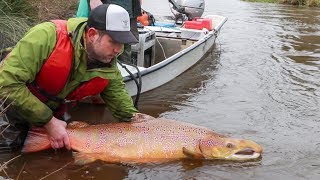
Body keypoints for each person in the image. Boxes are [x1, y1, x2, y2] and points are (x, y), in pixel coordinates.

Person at [0, 4, 139, 152]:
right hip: (8, 102)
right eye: (113, 41)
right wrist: (49, 122)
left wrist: (142, 125)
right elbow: (7, 83)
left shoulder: (107, 64)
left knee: (57, 156)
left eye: (122, 43)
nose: (118, 50)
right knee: (8, 154)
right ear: (92, 34)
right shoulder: (47, 35)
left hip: (49, 107)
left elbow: (124, 109)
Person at [76, 0, 142, 64]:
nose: (118, 50)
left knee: (125, 48)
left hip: (131, 9)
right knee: (95, 52)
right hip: (107, 6)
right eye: (113, 42)